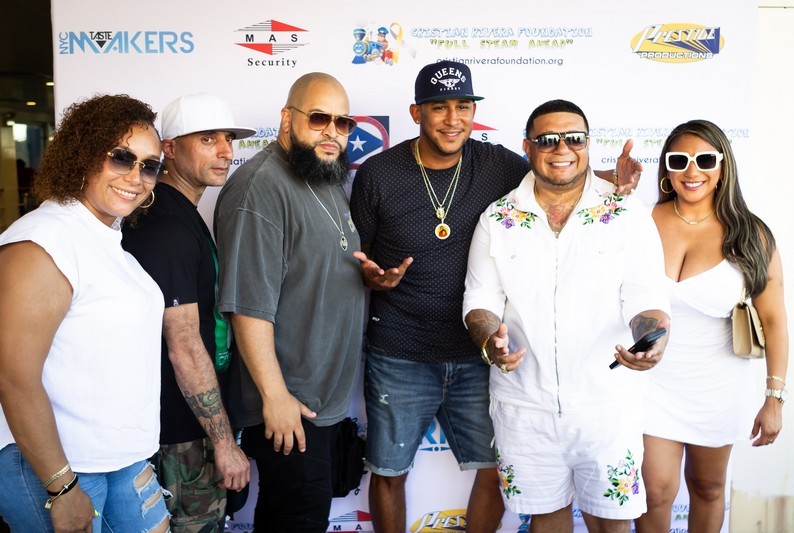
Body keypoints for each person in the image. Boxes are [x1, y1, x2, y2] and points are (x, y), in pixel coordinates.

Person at [349, 61, 642, 533]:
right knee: (388, 471)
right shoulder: (379, 174)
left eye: (463, 106)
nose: (452, 119)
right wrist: (374, 280)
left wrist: (611, 177)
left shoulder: (497, 163)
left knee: (495, 470)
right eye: (439, 108)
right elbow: (359, 263)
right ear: (416, 113)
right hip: (401, 352)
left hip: (479, 355)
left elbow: (556, 170)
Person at [462, 99, 670, 533]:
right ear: (527, 146)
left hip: (607, 406)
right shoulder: (497, 218)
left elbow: (645, 294)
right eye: (547, 140)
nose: (562, 148)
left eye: (574, 138)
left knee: (612, 523)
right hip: (524, 406)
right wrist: (489, 339)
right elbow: (480, 297)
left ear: (588, 144)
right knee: (545, 520)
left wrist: (651, 339)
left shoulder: (627, 214)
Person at [0, 94, 169, 532]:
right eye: (121, 157)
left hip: (119, 459)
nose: (135, 176)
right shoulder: (44, 240)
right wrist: (62, 487)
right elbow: (13, 377)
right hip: (57, 467)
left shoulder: (104, 238)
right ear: (83, 154)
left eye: (149, 165)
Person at [213, 73, 363, 533]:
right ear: (286, 119)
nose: (332, 131)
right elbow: (247, 306)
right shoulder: (260, 188)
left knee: (284, 519)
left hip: (318, 402)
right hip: (288, 403)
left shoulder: (323, 175)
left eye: (343, 122)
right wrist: (275, 396)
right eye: (319, 118)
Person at [635, 120, 788, 533]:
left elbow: (774, 320)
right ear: (666, 169)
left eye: (705, 160)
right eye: (679, 161)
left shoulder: (750, 234)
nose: (692, 171)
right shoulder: (640, 221)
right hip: (652, 383)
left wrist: (774, 398)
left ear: (723, 167)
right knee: (655, 491)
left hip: (718, 387)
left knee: (707, 487)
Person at [122, 93, 255, 532]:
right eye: (207, 139)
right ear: (171, 149)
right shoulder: (167, 225)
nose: (226, 151)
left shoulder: (178, 212)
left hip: (188, 424)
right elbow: (181, 343)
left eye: (228, 139)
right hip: (179, 431)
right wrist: (223, 443)